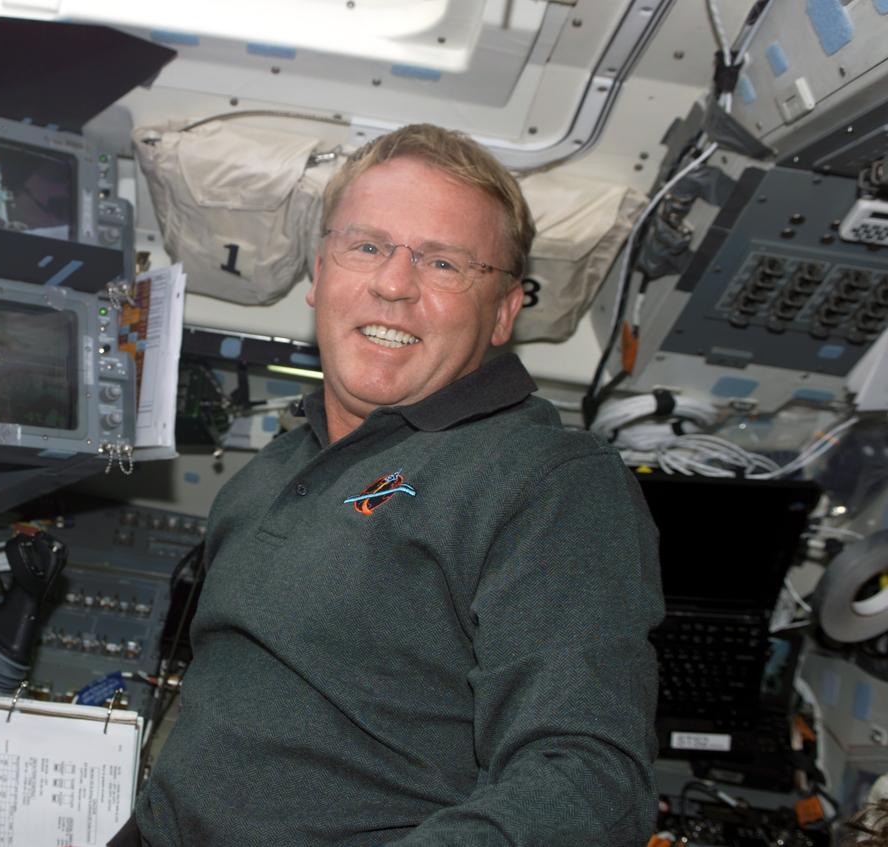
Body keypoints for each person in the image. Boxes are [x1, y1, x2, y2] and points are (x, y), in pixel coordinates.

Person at [121, 123, 664, 845]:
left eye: (444, 263)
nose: (393, 284)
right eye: (368, 246)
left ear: (504, 310)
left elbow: (590, 781)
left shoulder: (549, 481)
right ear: (319, 275)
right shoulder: (268, 472)